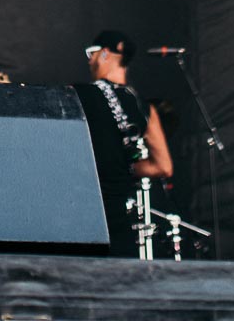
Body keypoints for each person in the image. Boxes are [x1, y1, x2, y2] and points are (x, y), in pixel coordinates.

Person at [73, 29, 174, 257]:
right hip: (119, 219)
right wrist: (128, 168)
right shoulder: (143, 107)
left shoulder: (79, 95)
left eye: (92, 53)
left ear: (105, 54)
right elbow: (164, 166)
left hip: (86, 214)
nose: (90, 60)